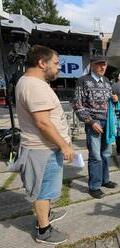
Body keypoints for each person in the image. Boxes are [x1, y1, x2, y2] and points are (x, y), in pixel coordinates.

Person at [15, 45, 74, 244]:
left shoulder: (31, 82)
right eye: (56, 63)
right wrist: (64, 146)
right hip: (42, 149)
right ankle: (44, 230)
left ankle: (46, 214)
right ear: (42, 63)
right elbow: (42, 122)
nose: (59, 68)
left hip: (44, 148)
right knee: (43, 190)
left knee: (46, 189)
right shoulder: (34, 85)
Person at [72, 55, 118, 199]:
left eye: (104, 64)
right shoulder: (83, 81)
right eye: (99, 64)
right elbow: (77, 104)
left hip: (107, 123)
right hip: (94, 123)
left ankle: (105, 180)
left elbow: (109, 102)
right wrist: (91, 122)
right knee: (95, 156)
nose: (103, 67)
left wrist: (114, 100)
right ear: (92, 65)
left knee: (106, 153)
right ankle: (94, 186)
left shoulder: (106, 81)